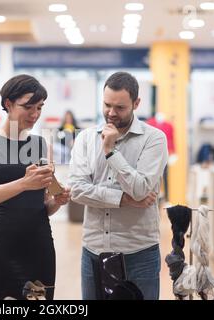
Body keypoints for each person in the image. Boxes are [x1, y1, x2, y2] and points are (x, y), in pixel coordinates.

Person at [68, 71, 168, 300]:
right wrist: (124, 199)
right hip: (93, 249)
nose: (111, 113)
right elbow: (77, 189)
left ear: (136, 103)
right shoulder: (86, 138)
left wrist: (111, 151)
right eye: (106, 105)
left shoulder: (154, 139)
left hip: (139, 253)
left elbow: (141, 189)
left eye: (120, 107)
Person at [0, 74, 71, 300]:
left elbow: (43, 205)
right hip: (1, 245)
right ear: (8, 104)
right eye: (28, 107)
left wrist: (58, 200)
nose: (35, 114)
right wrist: (24, 183)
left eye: (39, 107)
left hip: (39, 244)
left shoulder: (41, 145)